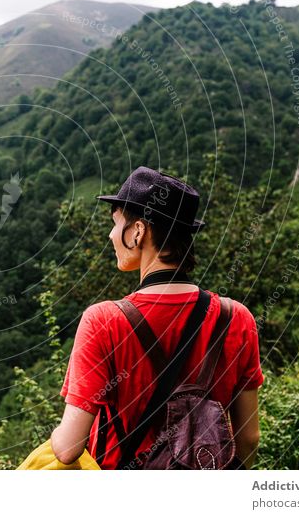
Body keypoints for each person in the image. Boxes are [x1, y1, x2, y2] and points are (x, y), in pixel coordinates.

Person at [50, 166, 264, 469]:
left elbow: (68, 447)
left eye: (115, 223)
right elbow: (249, 439)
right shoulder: (236, 317)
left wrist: (54, 439)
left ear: (138, 231)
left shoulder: (103, 320)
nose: (111, 235)